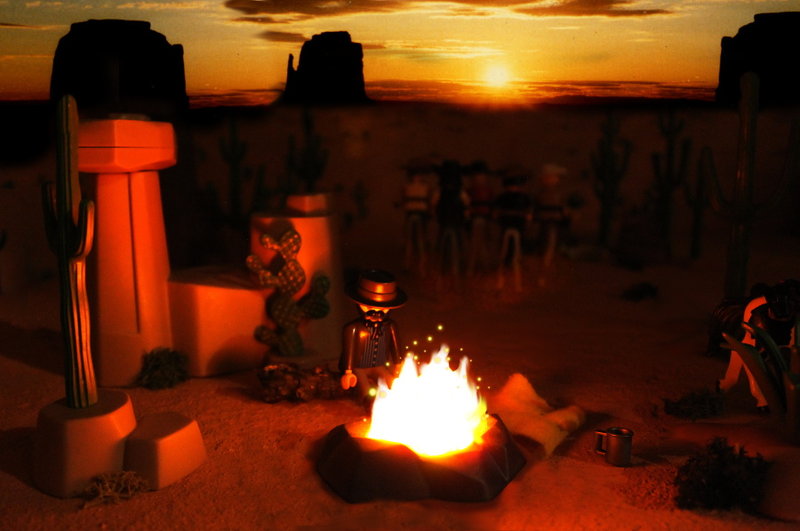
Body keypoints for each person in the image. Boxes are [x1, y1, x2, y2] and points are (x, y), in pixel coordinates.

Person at [718, 279, 800, 413]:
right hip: (751, 342)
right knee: (752, 367)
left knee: (732, 377)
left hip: (764, 340)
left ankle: (723, 387)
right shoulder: (758, 308)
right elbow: (752, 339)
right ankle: (761, 400)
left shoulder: (794, 308)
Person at [340, 270, 406, 399]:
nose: (376, 312)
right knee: (365, 390)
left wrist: (399, 363)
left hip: (380, 366)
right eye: (370, 308)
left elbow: (395, 347)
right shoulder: (353, 328)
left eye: (382, 309)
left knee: (393, 384)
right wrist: (348, 372)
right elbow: (349, 351)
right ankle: (368, 402)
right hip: (359, 367)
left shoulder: (390, 326)